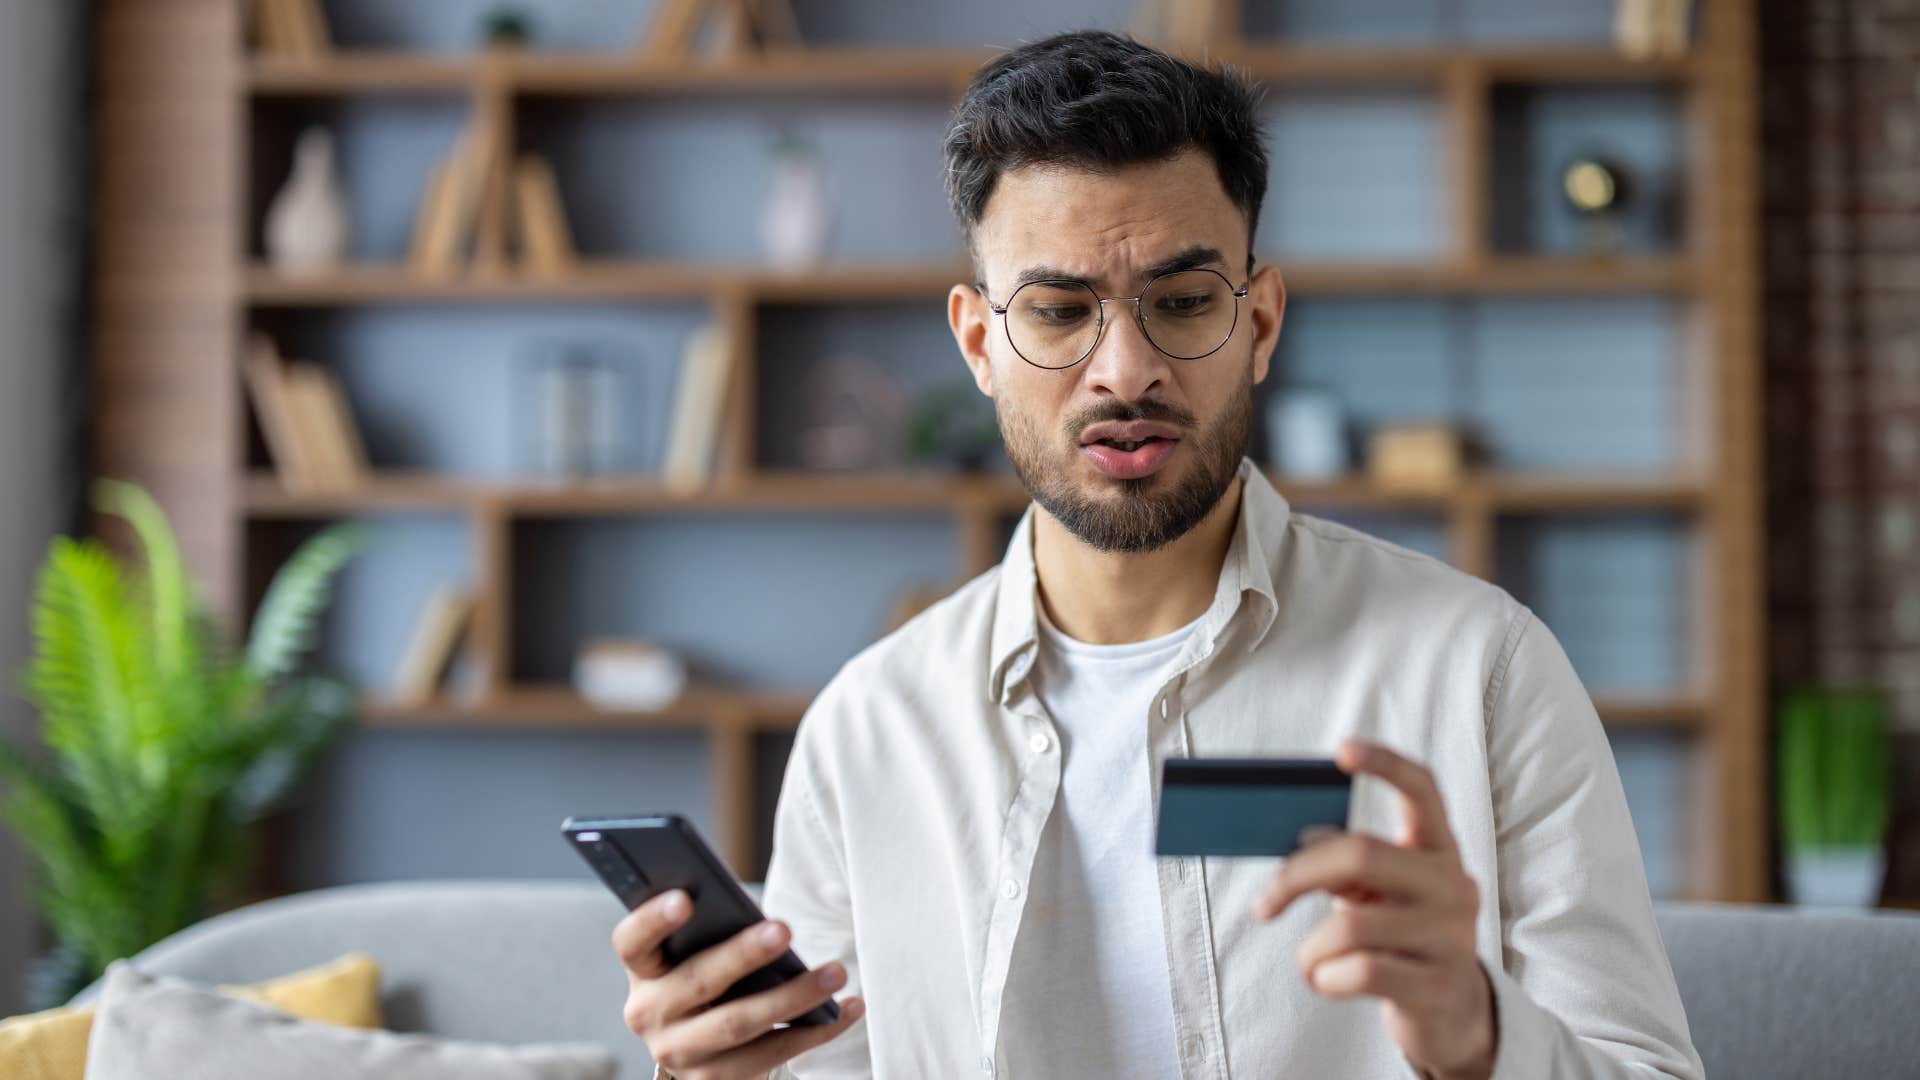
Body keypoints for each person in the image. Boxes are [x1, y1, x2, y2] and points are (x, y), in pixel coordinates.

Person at [612, 29, 1703, 1080]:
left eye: (1182, 303)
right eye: (1057, 310)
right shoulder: (868, 734)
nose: (1125, 370)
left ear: (1263, 324)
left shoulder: (1482, 674)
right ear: (981, 343)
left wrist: (1477, 1034)